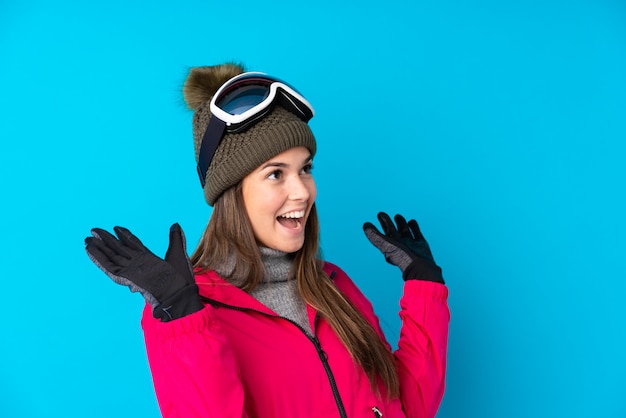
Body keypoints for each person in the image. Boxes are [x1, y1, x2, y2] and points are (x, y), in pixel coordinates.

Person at [84, 63, 450, 418]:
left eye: (305, 169)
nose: (302, 192)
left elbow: (407, 407)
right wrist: (186, 325)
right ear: (232, 192)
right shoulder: (187, 310)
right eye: (276, 174)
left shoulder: (334, 284)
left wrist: (425, 289)